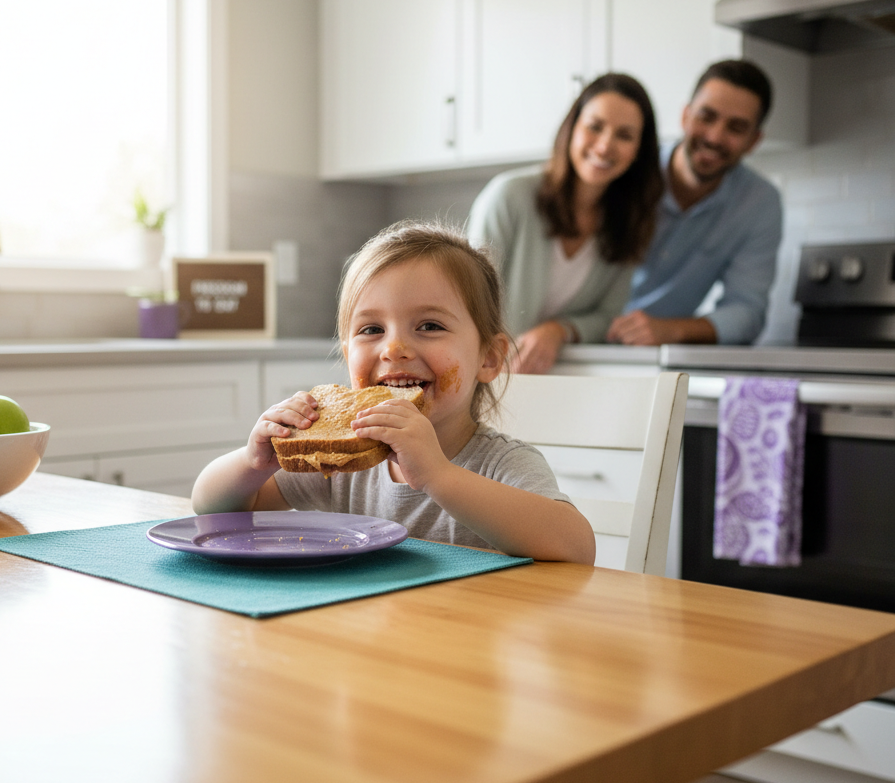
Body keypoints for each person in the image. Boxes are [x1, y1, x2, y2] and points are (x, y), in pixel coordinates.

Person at [192, 222, 595, 563]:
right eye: (371, 330)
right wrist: (253, 462)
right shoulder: (343, 462)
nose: (393, 349)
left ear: (488, 358)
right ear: (348, 356)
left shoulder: (501, 463)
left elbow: (576, 547)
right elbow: (211, 509)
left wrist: (438, 474)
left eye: (430, 326)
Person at [467, 73, 663, 374]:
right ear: (571, 129)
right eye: (595, 127)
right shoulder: (509, 196)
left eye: (624, 135)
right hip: (484, 374)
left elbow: (608, 317)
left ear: (639, 151)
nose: (604, 145)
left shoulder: (632, 221)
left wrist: (557, 331)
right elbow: (468, 300)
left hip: (557, 376)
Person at [607, 59, 782, 347]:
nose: (715, 137)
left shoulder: (759, 203)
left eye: (736, 128)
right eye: (706, 117)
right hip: (580, 346)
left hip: (667, 358)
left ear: (754, 141)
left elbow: (747, 311)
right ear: (685, 116)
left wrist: (670, 330)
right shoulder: (629, 170)